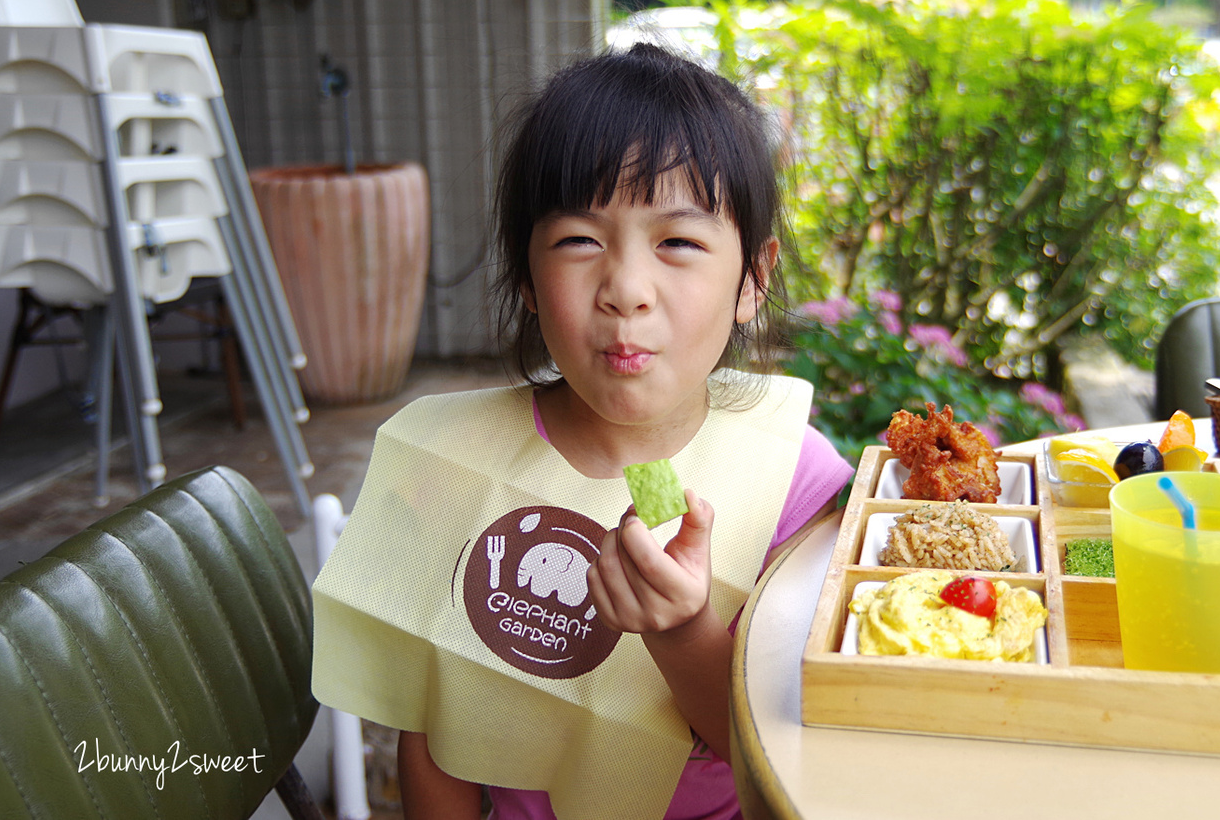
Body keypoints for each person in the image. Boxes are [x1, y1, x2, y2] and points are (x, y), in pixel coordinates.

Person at [311, 43, 853, 820]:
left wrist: (681, 631)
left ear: (753, 279)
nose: (626, 290)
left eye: (678, 242)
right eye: (578, 241)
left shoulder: (795, 480)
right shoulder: (451, 466)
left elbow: (781, 756)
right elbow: (436, 741)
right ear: (527, 279)